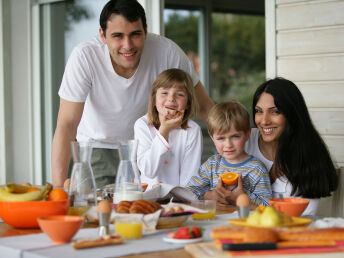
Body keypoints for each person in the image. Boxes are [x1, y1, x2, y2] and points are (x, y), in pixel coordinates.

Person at [51, 0, 214, 188]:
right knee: (102, 210)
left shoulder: (168, 52)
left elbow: (204, 106)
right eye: (117, 36)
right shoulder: (85, 57)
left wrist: (233, 151)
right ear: (102, 35)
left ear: (145, 30)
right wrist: (57, 191)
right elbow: (67, 124)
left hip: (149, 143)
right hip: (99, 149)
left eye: (135, 34)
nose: (127, 45)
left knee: (145, 210)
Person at [245, 77, 338, 215]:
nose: (264, 121)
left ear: (291, 113)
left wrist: (247, 204)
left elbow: (302, 218)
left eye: (275, 111)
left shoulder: (308, 156)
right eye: (259, 111)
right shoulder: (245, 140)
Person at [186, 101, 272, 206]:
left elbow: (267, 205)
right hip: (215, 221)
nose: (228, 144)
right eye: (221, 138)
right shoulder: (212, 165)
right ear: (212, 138)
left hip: (243, 221)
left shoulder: (256, 169)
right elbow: (188, 192)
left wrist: (242, 196)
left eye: (235, 136)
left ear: (247, 134)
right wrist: (208, 196)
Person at [134, 68, 202, 190]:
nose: (171, 99)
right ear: (154, 99)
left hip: (178, 200)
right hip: (146, 198)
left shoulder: (192, 130)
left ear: (187, 103)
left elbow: (189, 180)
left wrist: (176, 200)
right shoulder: (142, 125)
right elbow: (149, 170)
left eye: (180, 94)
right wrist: (164, 131)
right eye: (164, 93)